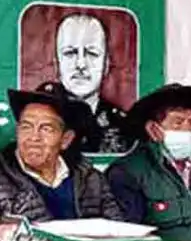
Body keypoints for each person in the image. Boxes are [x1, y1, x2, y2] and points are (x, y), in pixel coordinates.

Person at [0, 81, 123, 233]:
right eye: (26, 127)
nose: (34, 137)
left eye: (46, 129)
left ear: (66, 139)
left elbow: (118, 230)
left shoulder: (92, 180)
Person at [106, 84, 191, 241]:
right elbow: (130, 235)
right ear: (153, 129)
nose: (187, 130)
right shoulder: (128, 172)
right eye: (178, 123)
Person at [54, 13, 132, 154]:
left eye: (92, 53)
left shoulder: (124, 126)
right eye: (70, 53)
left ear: (106, 65)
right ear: (56, 64)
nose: (81, 64)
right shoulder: (42, 119)